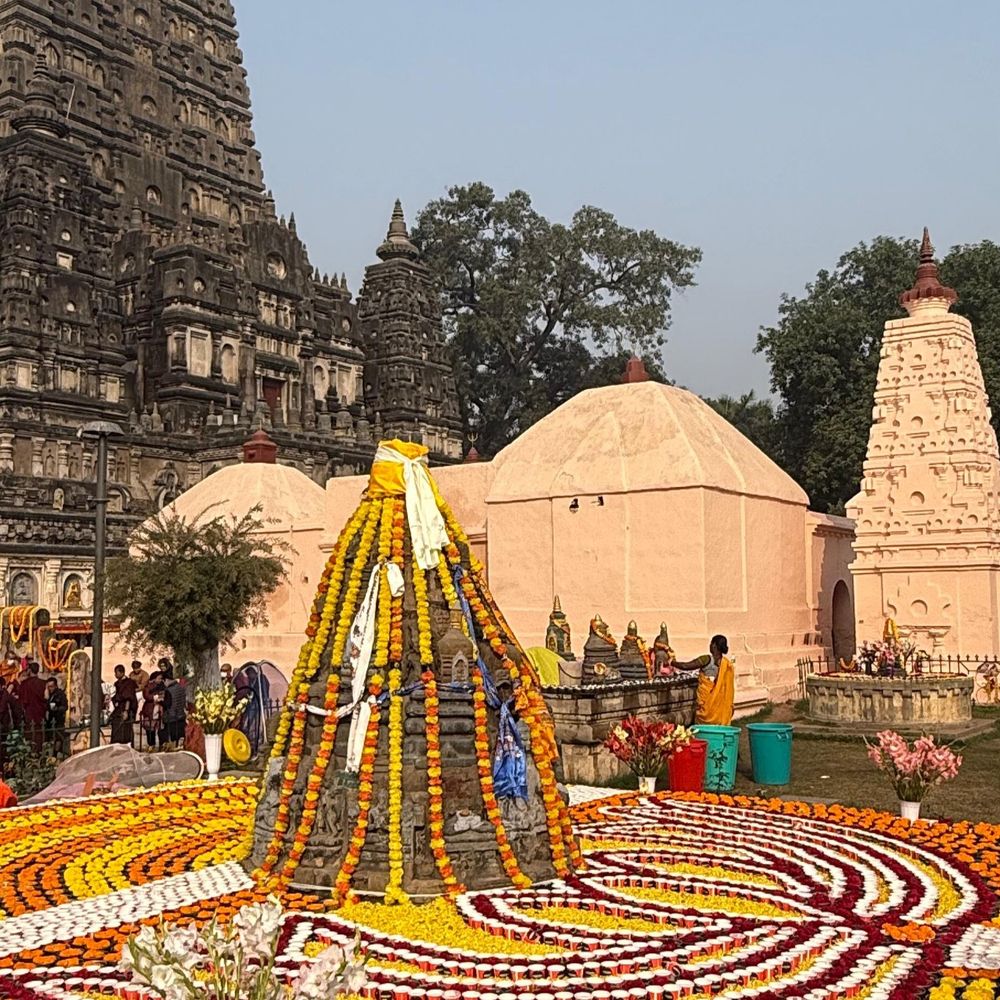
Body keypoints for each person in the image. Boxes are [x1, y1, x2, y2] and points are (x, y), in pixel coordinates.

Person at [676, 634, 735, 725]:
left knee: (703, 727)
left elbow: (685, 666)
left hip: (705, 703)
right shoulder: (726, 664)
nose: (710, 645)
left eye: (711, 643)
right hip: (720, 708)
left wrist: (671, 662)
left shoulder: (706, 659)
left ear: (714, 645)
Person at [18, 662, 47, 753]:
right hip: (40, 711)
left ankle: (31, 752)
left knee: (30, 732)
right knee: (39, 732)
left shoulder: (25, 684)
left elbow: (22, 700)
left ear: (30, 670)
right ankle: (39, 751)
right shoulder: (43, 683)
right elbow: (46, 697)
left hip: (30, 711)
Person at [110, 664, 138, 745]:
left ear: (122, 672)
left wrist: (126, 710)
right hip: (118, 709)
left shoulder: (129, 683)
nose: (115, 675)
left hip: (126, 710)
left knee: (126, 730)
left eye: (116, 672)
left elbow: (128, 698)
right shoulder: (116, 684)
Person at [160, 665, 187, 750]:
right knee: (180, 737)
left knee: (173, 738)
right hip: (181, 714)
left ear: (166, 680)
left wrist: (160, 702)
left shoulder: (169, 690)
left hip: (171, 716)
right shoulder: (181, 687)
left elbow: (168, 704)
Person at [140, 670, 165, 751]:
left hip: (159, 709)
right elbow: (146, 695)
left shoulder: (162, 686)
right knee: (150, 729)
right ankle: (151, 744)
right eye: (159, 678)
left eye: (161, 678)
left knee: (160, 728)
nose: (160, 680)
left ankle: (161, 744)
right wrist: (155, 697)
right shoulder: (149, 686)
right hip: (150, 709)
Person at [44, 677, 69, 757]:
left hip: (58, 719)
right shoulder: (48, 694)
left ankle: (56, 753)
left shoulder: (60, 694)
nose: (50, 688)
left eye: (51, 686)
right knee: (50, 737)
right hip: (50, 719)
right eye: (48, 686)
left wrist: (57, 708)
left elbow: (65, 707)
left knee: (58, 737)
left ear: (55, 686)